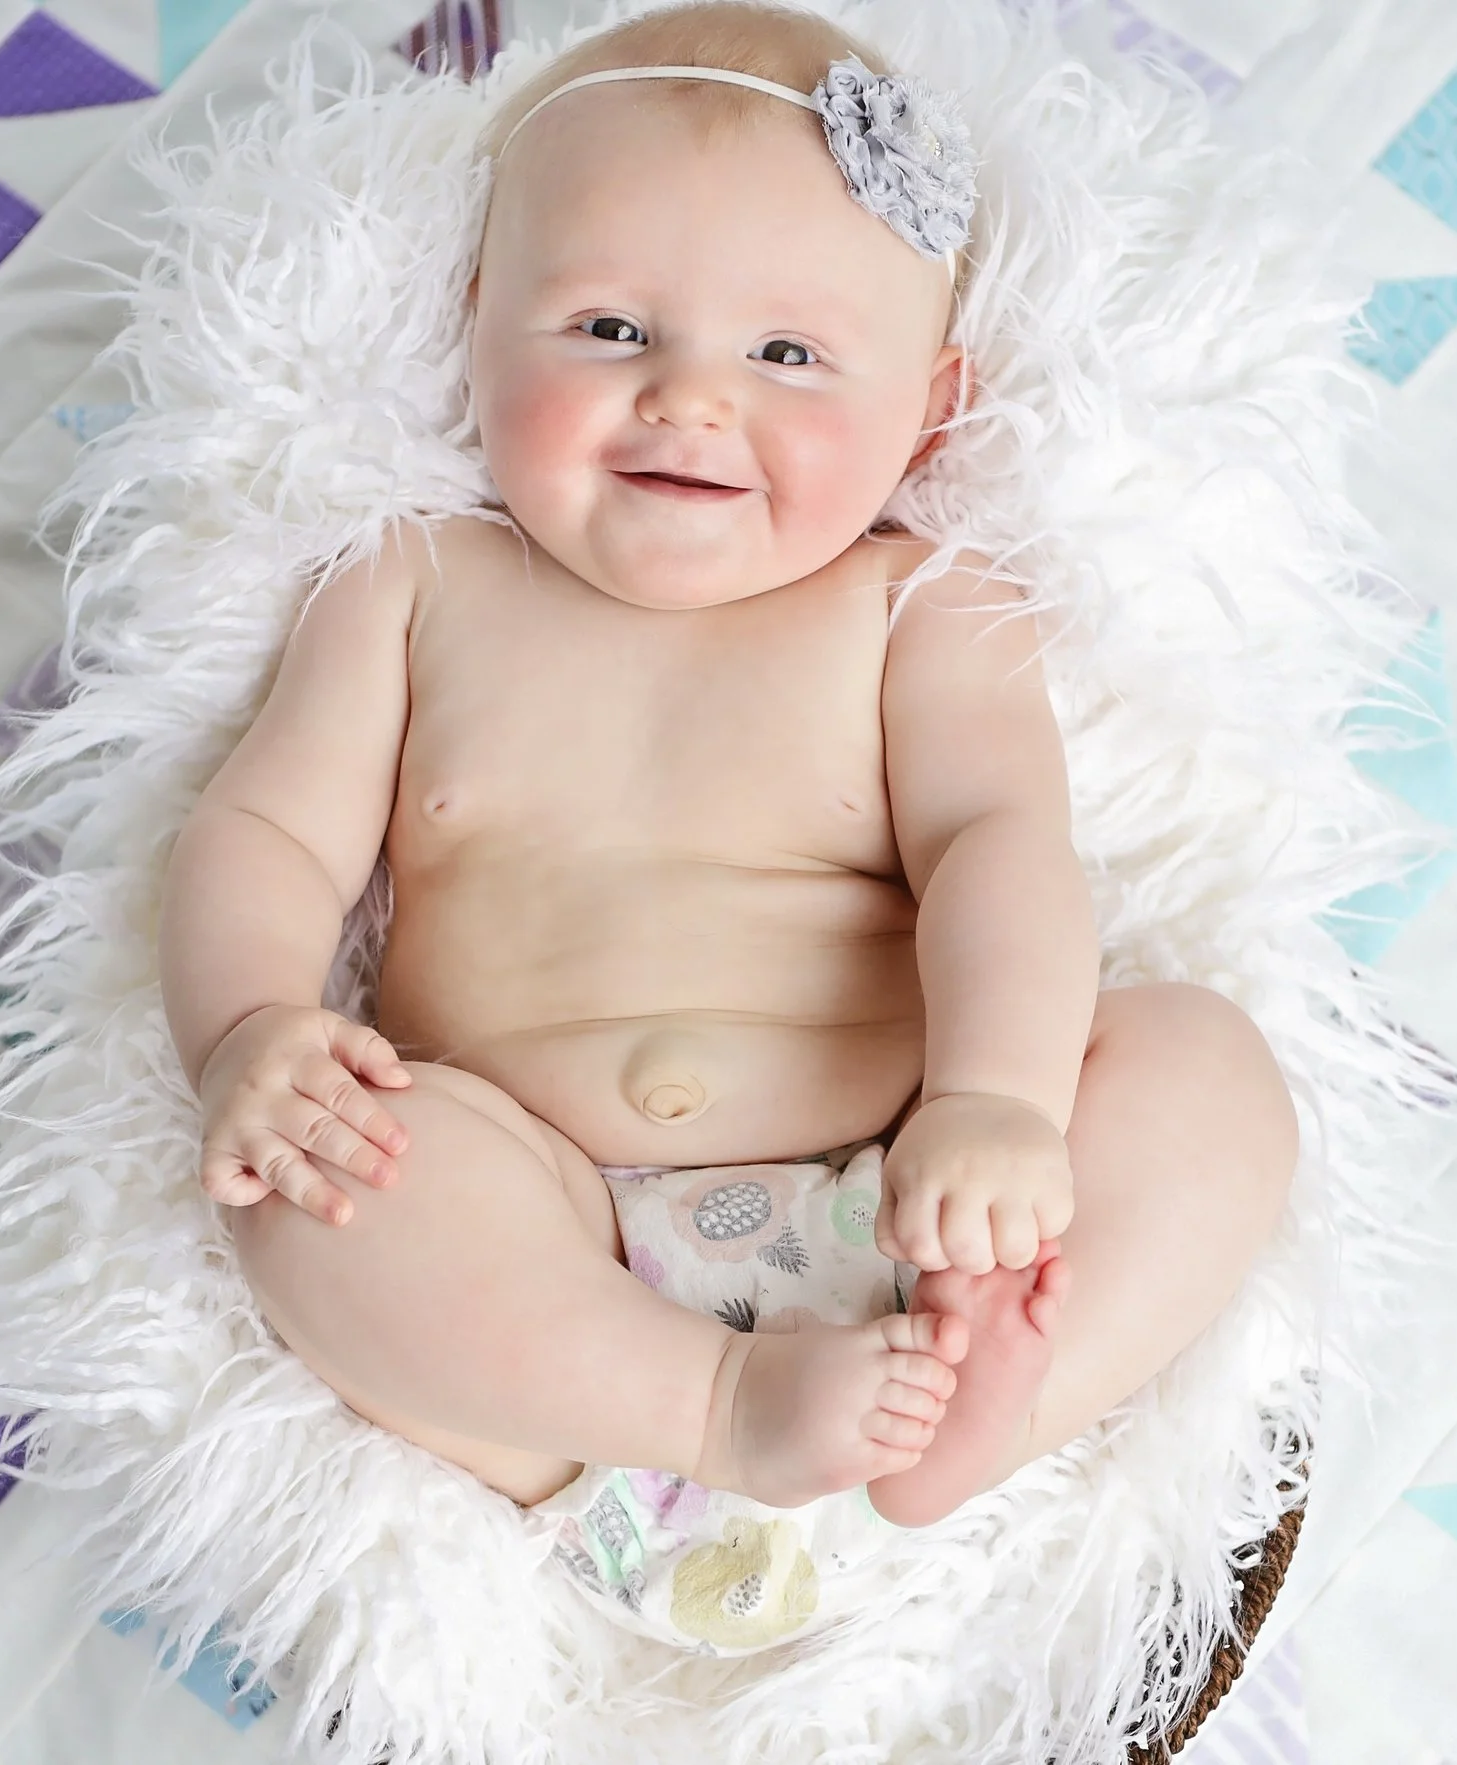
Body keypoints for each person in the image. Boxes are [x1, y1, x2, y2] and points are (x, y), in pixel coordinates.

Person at [156, 0, 1296, 1641]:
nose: (691, 401)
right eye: (610, 328)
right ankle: (707, 1416)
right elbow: (264, 834)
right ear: (478, 327)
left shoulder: (920, 608)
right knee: (319, 1190)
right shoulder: (410, 586)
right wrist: (251, 1029)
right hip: (560, 1250)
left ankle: (983, 1409)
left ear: (933, 404)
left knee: (1207, 1071)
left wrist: (997, 1106)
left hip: (903, 1207)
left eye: (787, 355)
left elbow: (1000, 851)